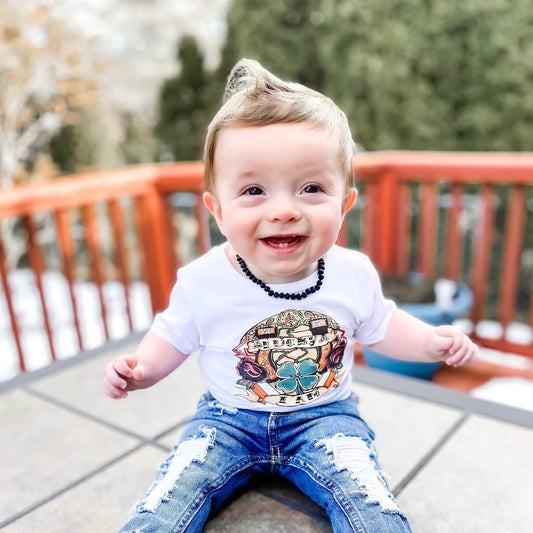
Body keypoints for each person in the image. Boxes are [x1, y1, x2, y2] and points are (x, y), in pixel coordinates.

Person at [104, 58, 478, 532]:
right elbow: (172, 335)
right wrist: (140, 371)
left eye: (311, 188)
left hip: (325, 417)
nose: (283, 211)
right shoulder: (203, 280)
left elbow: (383, 325)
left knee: (368, 501)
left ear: (345, 203)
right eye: (255, 190)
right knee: (170, 496)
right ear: (217, 210)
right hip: (228, 420)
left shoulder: (351, 274)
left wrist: (430, 343)